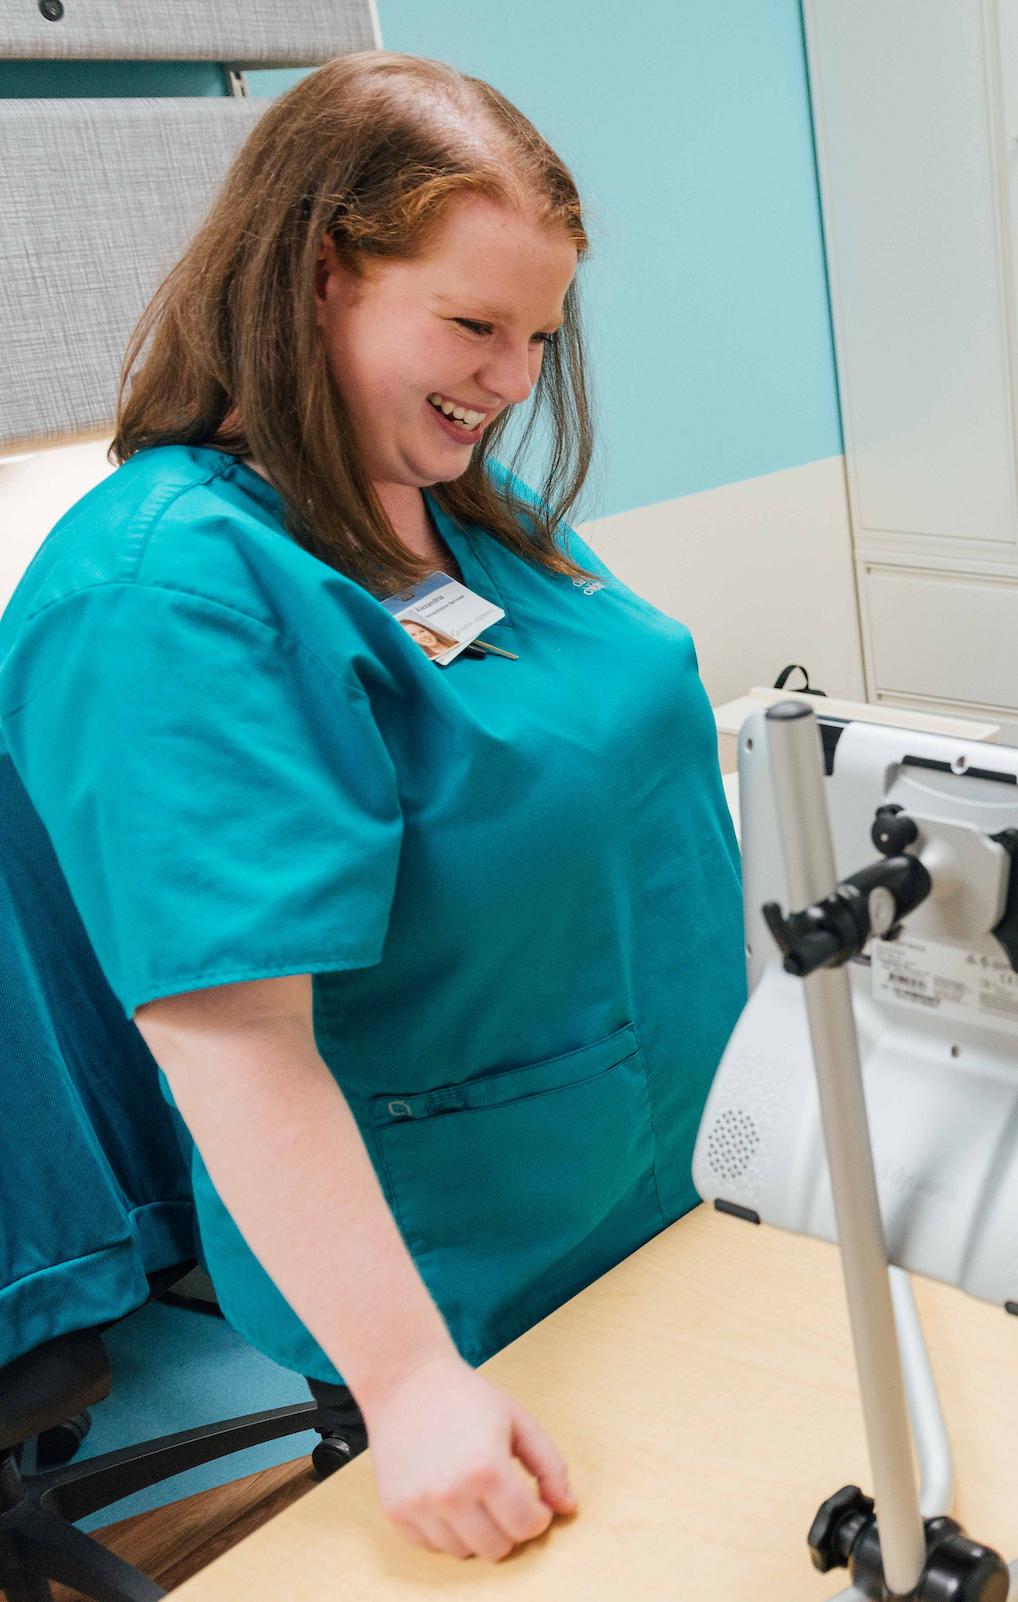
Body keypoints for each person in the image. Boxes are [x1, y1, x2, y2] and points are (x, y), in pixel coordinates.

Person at [0, 55, 744, 1561]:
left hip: (669, 1187)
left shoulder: (448, 498)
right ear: (316, 275)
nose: (516, 377)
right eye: (472, 323)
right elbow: (229, 1028)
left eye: (539, 331)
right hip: (468, 1282)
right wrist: (410, 1385)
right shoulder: (166, 591)